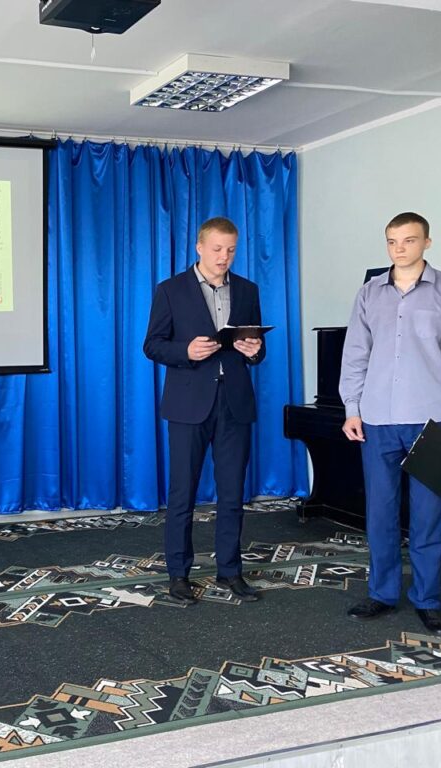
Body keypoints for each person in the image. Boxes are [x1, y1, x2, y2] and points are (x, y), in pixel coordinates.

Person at [340, 212, 441, 635]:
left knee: (428, 516)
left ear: (427, 243)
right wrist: (351, 408)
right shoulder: (369, 294)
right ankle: (382, 594)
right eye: (392, 241)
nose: (399, 249)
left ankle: (427, 600)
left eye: (408, 240)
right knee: (380, 514)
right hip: (377, 420)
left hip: (432, 422)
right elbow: (355, 355)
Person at [143, 217, 266, 605]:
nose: (224, 256)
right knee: (182, 494)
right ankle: (178, 574)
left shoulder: (247, 289)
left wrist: (255, 351)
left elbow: (256, 348)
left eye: (231, 250)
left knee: (232, 494)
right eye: (217, 249)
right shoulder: (170, 290)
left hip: (235, 404)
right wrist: (185, 351)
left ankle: (230, 571)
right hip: (187, 405)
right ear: (199, 248)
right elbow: (152, 345)